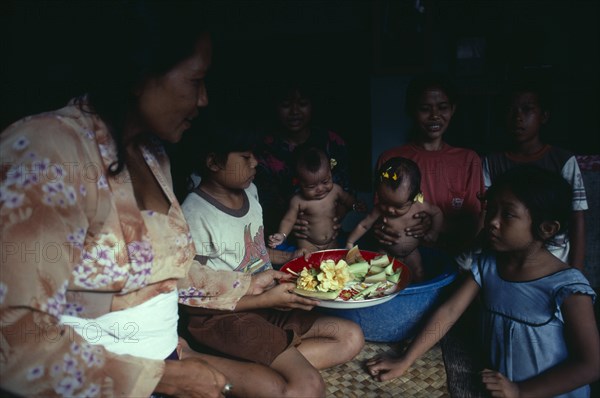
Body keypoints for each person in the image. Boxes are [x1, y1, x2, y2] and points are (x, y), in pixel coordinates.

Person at [0, 4, 351, 397]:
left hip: (165, 356)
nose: (203, 100)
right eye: (195, 80)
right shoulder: (47, 152)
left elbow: (160, 274)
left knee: (300, 386)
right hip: (105, 381)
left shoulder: (152, 153)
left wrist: (244, 285)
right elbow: (13, 338)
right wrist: (162, 378)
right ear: (140, 74)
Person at [366, 166, 600, 397]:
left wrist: (520, 392)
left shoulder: (567, 287)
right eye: (492, 211)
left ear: (546, 228)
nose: (493, 222)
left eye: (507, 214)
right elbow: (449, 312)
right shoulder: (488, 266)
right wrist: (406, 359)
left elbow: (590, 365)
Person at [180, 122, 364, 396]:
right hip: (223, 319)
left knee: (351, 337)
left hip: (265, 305)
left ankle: (255, 371)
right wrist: (267, 299)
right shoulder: (195, 214)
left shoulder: (250, 193)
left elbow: (254, 255)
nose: (256, 162)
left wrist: (289, 256)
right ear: (213, 162)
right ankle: (193, 357)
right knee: (308, 387)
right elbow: (191, 295)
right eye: (245, 156)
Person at [483, 79, 587, 269]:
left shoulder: (562, 159)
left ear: (544, 116)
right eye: (511, 110)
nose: (518, 117)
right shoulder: (493, 161)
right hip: (508, 256)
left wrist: (577, 269)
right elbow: (487, 209)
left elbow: (576, 217)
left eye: (527, 109)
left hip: (556, 256)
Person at [375, 75, 484, 256]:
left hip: (455, 258)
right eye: (425, 109)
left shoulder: (469, 160)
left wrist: (435, 225)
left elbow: (475, 224)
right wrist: (380, 230)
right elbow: (379, 217)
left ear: (453, 109)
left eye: (443, 108)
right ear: (411, 111)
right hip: (404, 258)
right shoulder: (390, 159)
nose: (435, 116)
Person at [255, 80, 352, 243]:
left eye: (302, 103)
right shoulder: (263, 150)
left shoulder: (331, 142)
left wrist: (334, 219)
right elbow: (261, 202)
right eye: (286, 104)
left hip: (329, 233)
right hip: (287, 236)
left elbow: (347, 193)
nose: (294, 111)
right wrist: (291, 224)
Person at [345, 157, 443, 282]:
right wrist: (350, 241)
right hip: (386, 250)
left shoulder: (419, 205)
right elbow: (364, 225)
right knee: (376, 277)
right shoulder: (379, 210)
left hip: (411, 253)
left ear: (415, 197)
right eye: (384, 202)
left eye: (398, 206)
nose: (390, 210)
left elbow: (437, 213)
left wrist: (434, 232)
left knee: (418, 274)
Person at [268, 145, 365, 251]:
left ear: (330, 173)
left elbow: (347, 199)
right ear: (299, 183)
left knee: (334, 263)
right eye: (311, 186)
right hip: (308, 243)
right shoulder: (298, 201)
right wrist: (282, 234)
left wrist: (355, 205)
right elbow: (288, 219)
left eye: (325, 182)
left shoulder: (336, 190)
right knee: (308, 263)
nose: (320, 189)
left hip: (332, 241)